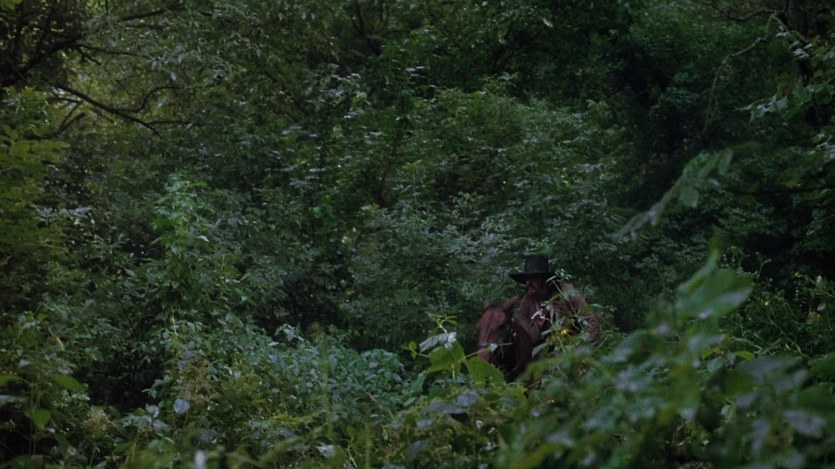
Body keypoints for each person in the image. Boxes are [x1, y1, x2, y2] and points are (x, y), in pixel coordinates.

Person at [510, 255, 600, 347]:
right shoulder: (527, 303)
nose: (528, 283)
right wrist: (538, 326)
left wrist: (587, 350)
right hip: (542, 351)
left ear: (544, 278)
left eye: (533, 278)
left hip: (570, 348)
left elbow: (590, 321)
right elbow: (525, 338)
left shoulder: (566, 293)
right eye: (527, 279)